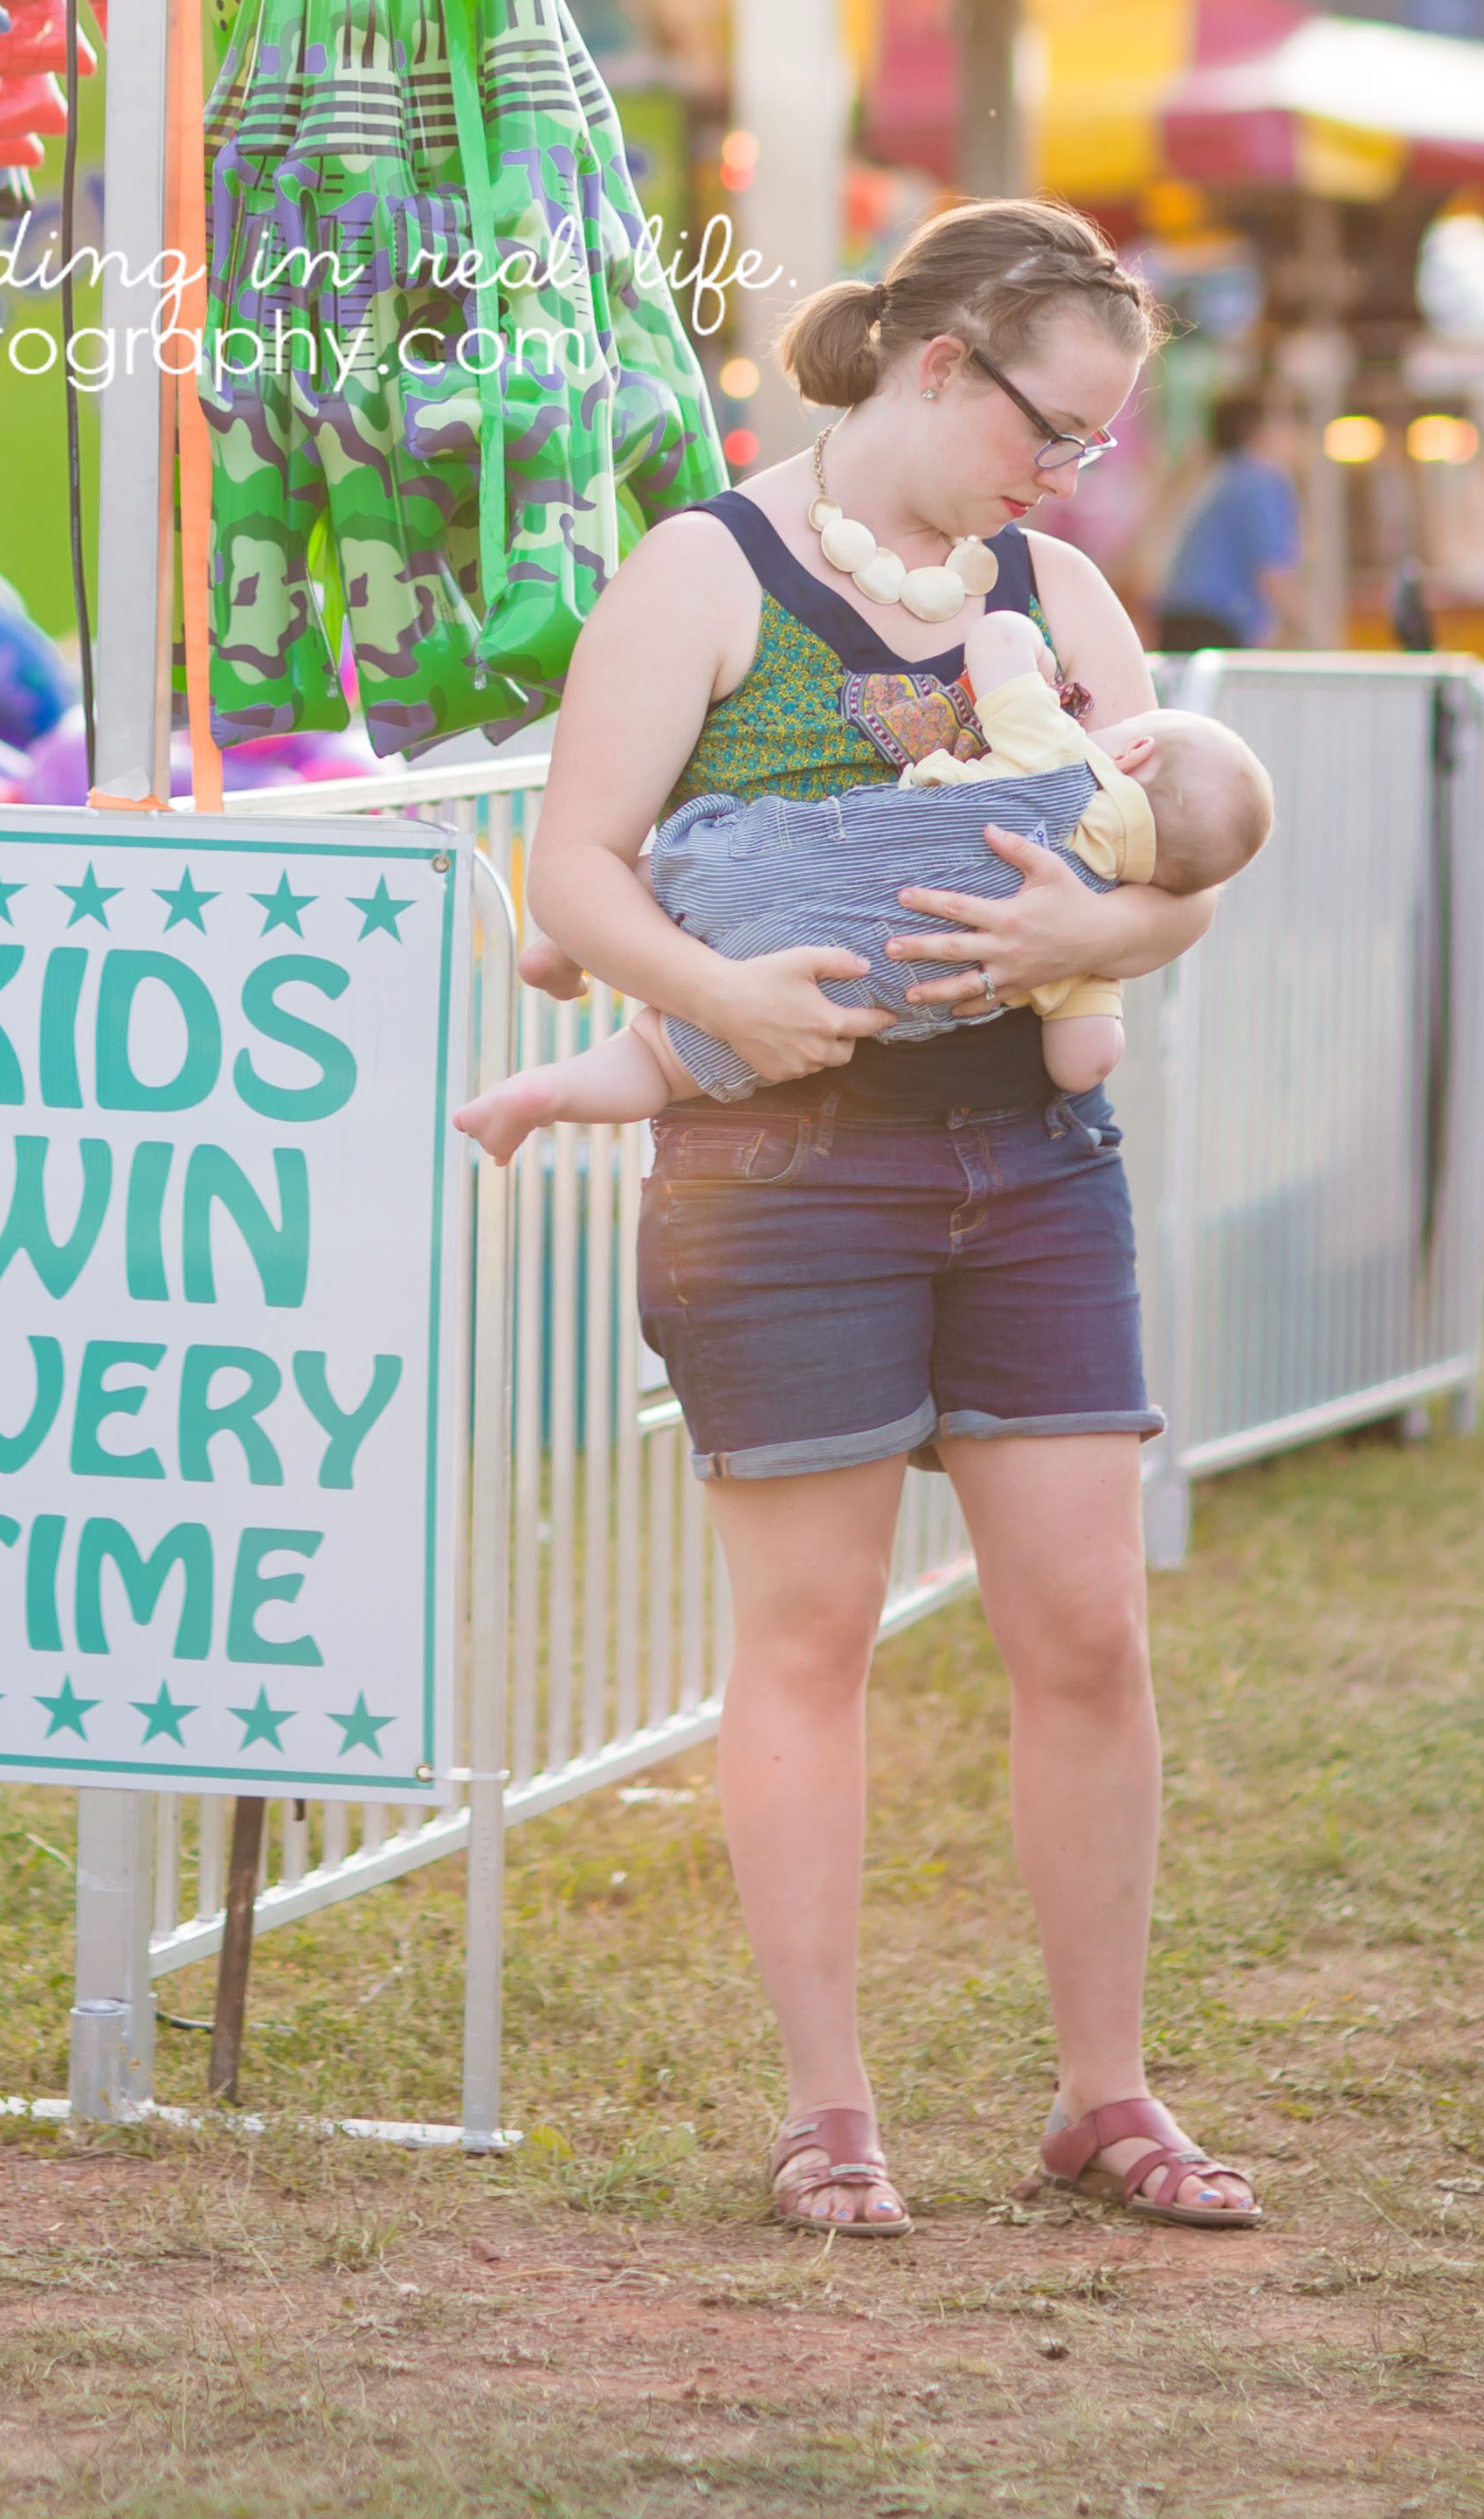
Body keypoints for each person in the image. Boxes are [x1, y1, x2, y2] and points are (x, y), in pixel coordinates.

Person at [524, 192, 1255, 2238]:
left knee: (1090, 1631)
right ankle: (827, 2106)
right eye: (1057, 423)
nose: (1071, 467)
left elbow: (1181, 852)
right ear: (939, 359)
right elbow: (571, 864)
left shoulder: (1058, 593)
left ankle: (1103, 2091)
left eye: (1095, 439)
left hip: (1027, 1160)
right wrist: (714, 994)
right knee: (809, 1634)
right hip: (778, 1179)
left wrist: (1090, 920)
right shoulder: (705, 568)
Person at [455, 612, 1273, 1155]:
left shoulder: (1064, 756)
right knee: (662, 1058)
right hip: (840, 981)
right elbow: (1082, 1061)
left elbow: (995, 643)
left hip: (773, 867)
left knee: (677, 867)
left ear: (1132, 754)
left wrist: (1031, 646)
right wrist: (1087, 970)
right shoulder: (1090, 915)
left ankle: (568, 948)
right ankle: (543, 1095)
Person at [1156, 389, 1301, 656]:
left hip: (1180, 616)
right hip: (1214, 622)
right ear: (1255, 430)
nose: (1293, 432)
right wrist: (1319, 635)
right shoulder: (1261, 479)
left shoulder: (1222, 477)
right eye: (1284, 420)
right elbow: (1273, 575)